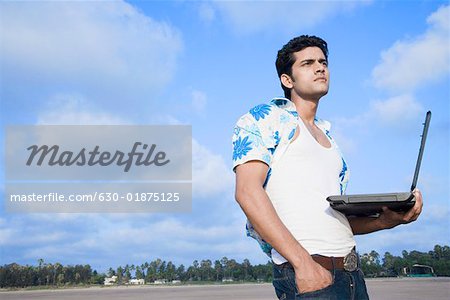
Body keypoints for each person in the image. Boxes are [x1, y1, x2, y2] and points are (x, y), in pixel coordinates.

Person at [231, 35, 423, 299]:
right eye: (308, 63)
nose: (320, 67)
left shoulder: (329, 139)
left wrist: (386, 221)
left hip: (352, 274)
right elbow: (247, 192)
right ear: (287, 80)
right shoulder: (265, 118)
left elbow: (333, 218)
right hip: (308, 271)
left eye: (323, 62)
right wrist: (303, 264)